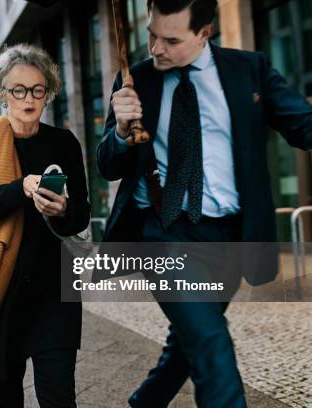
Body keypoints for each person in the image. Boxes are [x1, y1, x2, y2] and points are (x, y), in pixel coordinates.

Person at [96, 0, 312, 407]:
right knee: (212, 346)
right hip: (164, 235)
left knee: (192, 337)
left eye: (171, 39)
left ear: (204, 33)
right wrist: (121, 130)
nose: (157, 48)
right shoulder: (133, 80)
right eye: (151, 34)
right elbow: (108, 165)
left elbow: (302, 123)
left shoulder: (249, 69)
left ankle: (145, 402)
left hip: (229, 238)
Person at [0, 43, 90, 407]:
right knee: (9, 393)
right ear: (2, 93)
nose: (29, 98)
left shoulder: (64, 143)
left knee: (59, 395)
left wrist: (61, 209)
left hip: (55, 288)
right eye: (19, 90)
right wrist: (20, 188)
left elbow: (82, 214)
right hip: (1, 288)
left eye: (38, 90)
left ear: (48, 94)